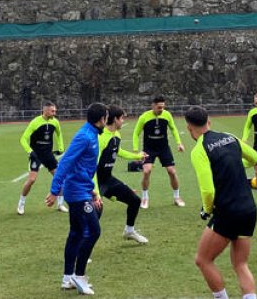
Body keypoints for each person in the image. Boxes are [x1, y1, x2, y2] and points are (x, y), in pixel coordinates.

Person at [186, 105, 257, 299]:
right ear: (208, 121)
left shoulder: (199, 150)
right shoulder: (229, 137)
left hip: (228, 212)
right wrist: (234, 165)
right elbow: (255, 157)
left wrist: (207, 209)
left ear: (189, 128)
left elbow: (208, 190)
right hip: (248, 209)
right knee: (240, 264)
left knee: (203, 260)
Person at [46, 102, 108, 295]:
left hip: (83, 189)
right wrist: (55, 189)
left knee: (76, 234)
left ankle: (67, 279)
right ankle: (79, 276)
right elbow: (65, 162)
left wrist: (92, 190)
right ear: (101, 119)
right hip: (76, 193)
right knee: (94, 231)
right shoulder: (85, 136)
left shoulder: (93, 134)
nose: (107, 120)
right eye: (106, 117)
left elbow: (84, 168)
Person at [96, 105, 149, 244]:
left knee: (135, 200)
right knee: (95, 212)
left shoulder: (116, 135)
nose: (123, 121)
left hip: (108, 179)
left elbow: (118, 151)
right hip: (95, 181)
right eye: (122, 118)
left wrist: (136, 156)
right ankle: (80, 251)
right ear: (115, 119)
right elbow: (92, 165)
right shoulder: (101, 137)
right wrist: (94, 191)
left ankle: (129, 231)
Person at [133, 95, 186, 208]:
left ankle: (177, 197)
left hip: (163, 147)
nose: (161, 109)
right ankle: (145, 198)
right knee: (146, 171)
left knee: (172, 171)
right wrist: (135, 150)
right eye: (159, 107)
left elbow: (173, 129)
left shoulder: (167, 115)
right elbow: (136, 133)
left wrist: (179, 143)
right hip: (149, 148)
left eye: (163, 107)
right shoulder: (144, 117)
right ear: (153, 105)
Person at [19, 102, 66, 214]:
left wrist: (60, 148)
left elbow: (59, 134)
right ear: (45, 111)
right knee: (31, 180)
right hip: (36, 155)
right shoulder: (35, 122)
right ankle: (21, 204)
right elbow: (23, 139)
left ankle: (60, 204)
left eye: (55, 111)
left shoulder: (55, 122)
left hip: (48, 154)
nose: (55, 113)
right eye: (52, 111)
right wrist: (30, 152)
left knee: (60, 178)